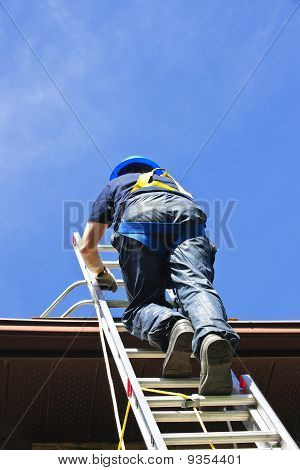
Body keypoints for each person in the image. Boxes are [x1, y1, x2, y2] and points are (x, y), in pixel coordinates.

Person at [80, 155, 240, 395]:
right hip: (189, 220)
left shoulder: (113, 187)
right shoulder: (173, 184)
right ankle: (212, 336)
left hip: (138, 222)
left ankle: (173, 325)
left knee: (141, 307)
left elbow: (86, 247)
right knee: (195, 286)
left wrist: (102, 273)